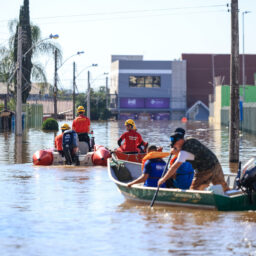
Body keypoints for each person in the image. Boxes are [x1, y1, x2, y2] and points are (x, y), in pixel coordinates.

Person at [158, 128, 230, 192]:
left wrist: (163, 179)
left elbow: (174, 167)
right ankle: (229, 195)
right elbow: (191, 154)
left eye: (174, 145)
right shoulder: (191, 140)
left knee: (194, 190)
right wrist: (177, 151)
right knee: (223, 187)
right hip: (215, 164)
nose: (173, 146)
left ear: (180, 141)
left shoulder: (183, 153)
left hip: (205, 170)